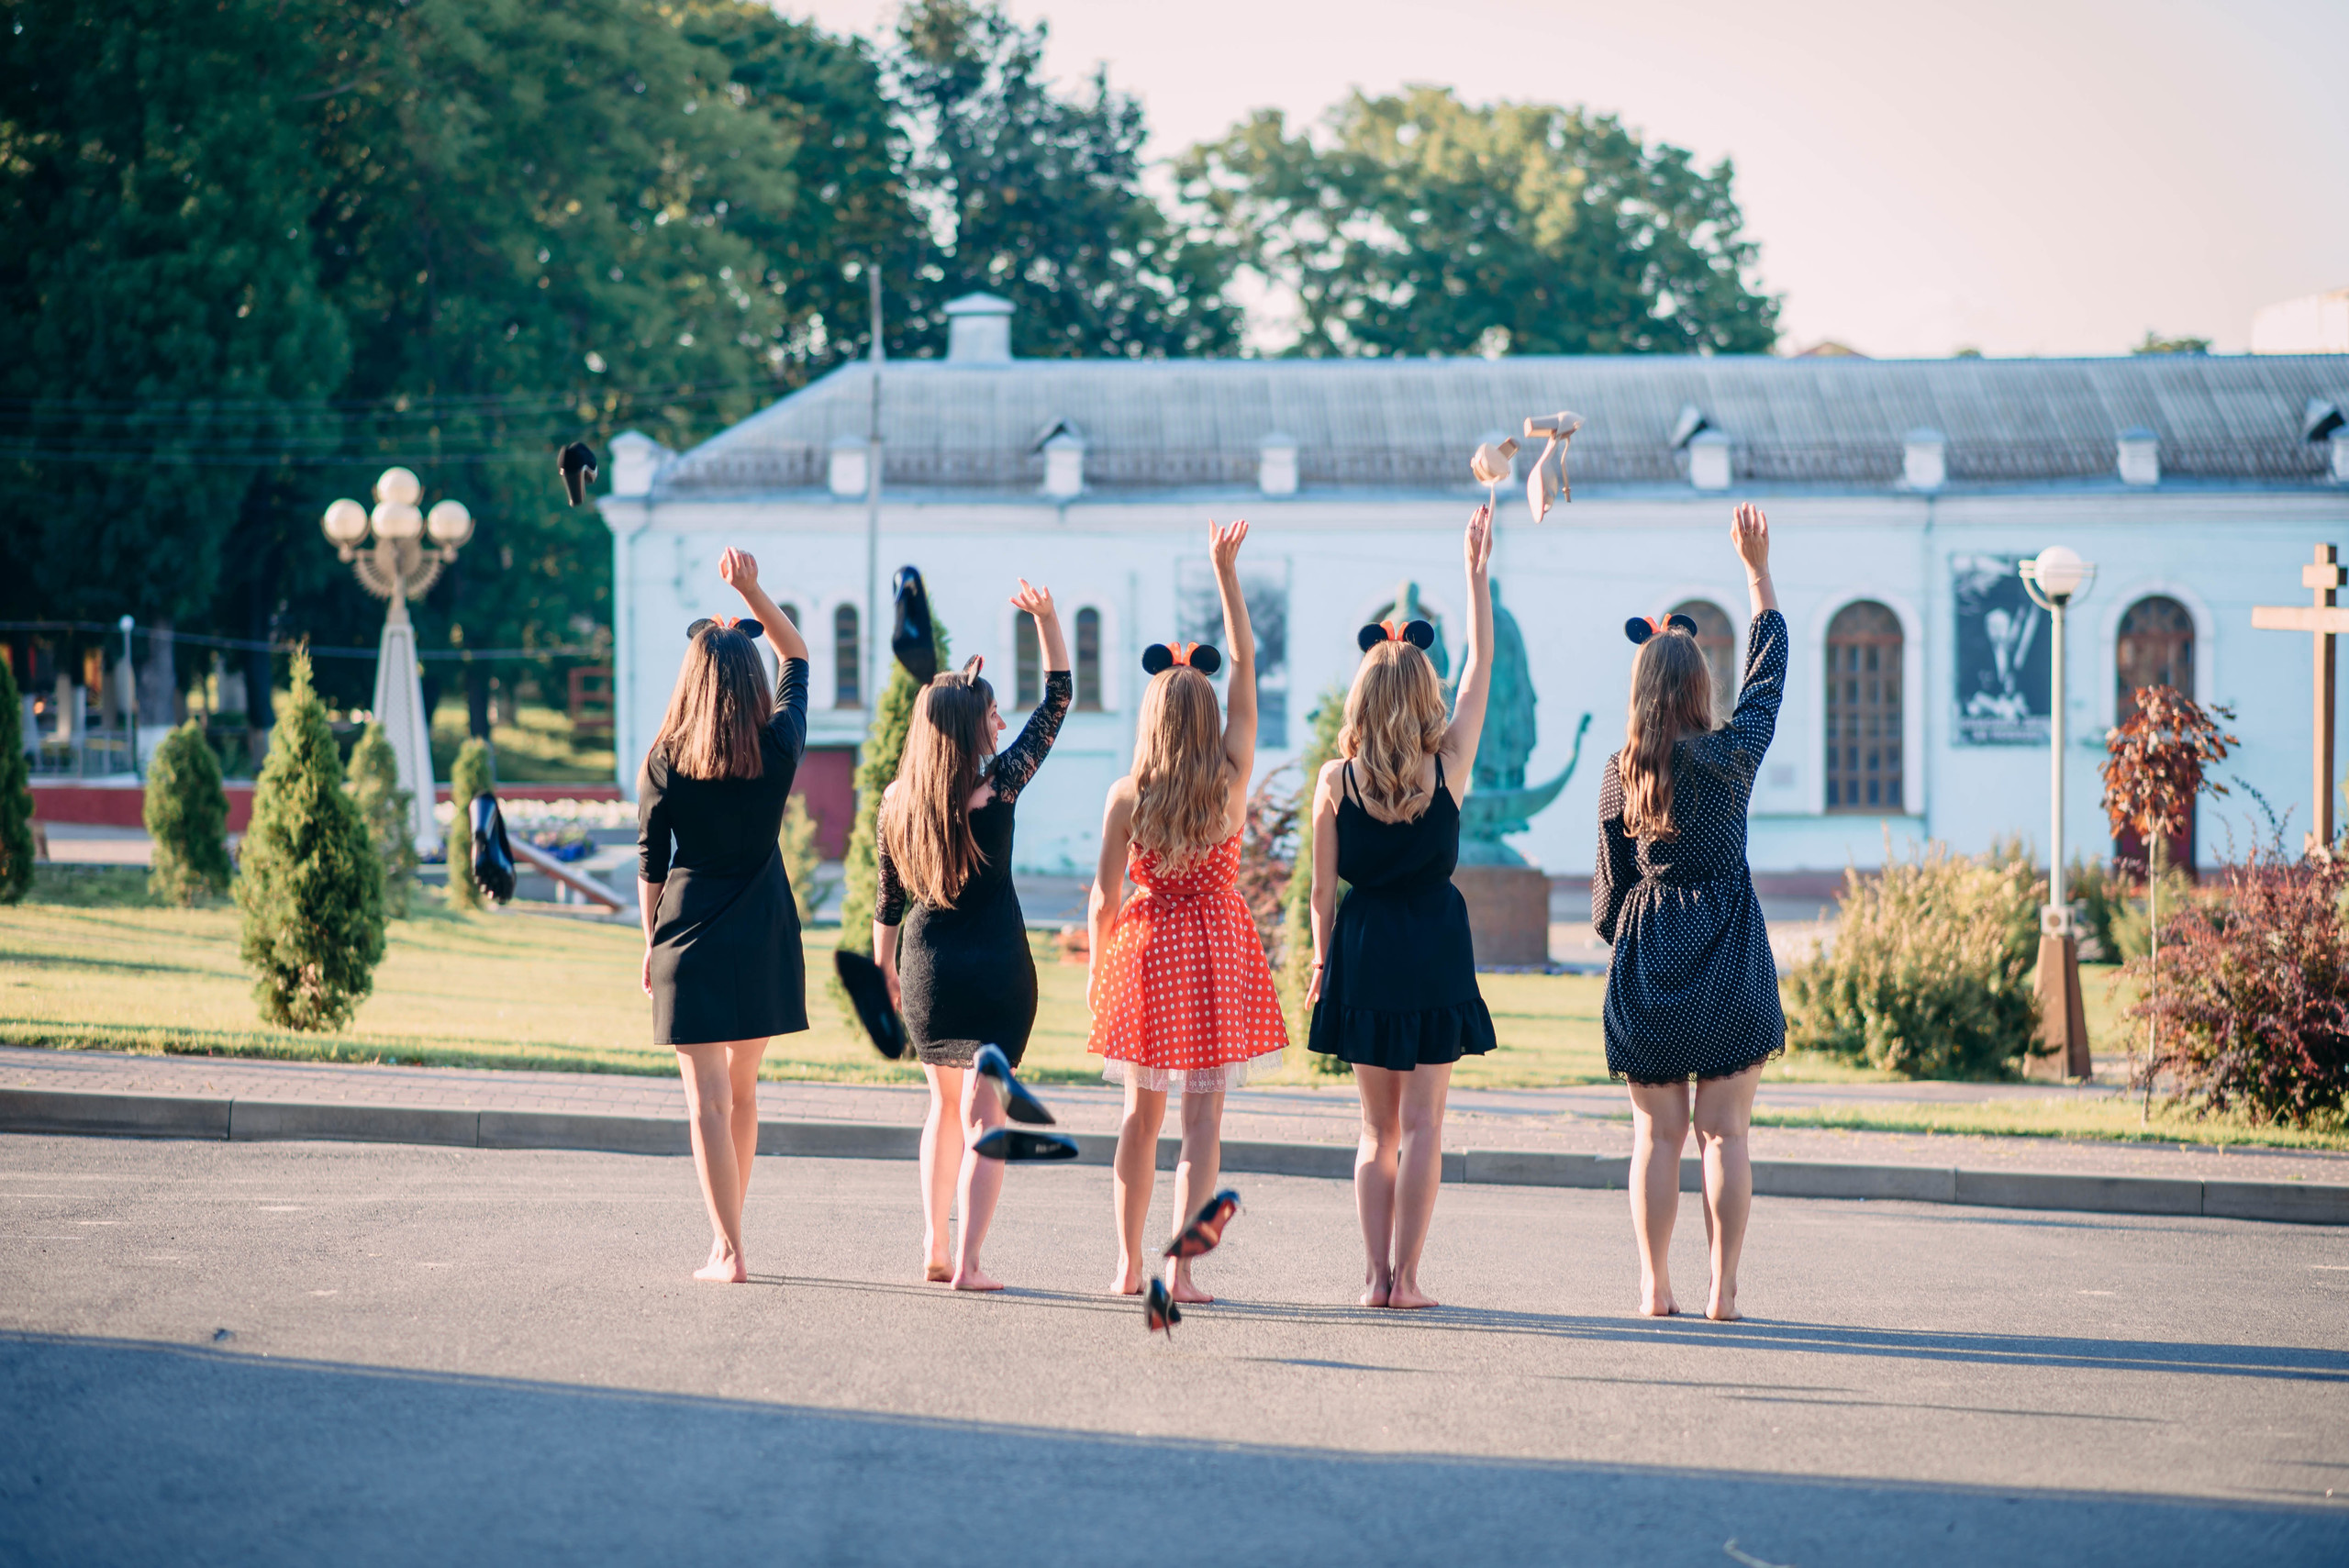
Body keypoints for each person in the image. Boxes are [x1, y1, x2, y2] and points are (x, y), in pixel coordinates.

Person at [1593, 502, 1787, 1322]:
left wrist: (1628, 938)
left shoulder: (1618, 769)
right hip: (1731, 958)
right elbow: (1768, 678)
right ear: (1700, 685)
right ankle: (1723, 1288)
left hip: (1651, 964)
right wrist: (1755, 572)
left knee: (1656, 1140)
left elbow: (1608, 893)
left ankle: (1655, 1286)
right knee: (1727, 1138)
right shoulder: (1732, 756)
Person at [1087, 518, 1288, 1303]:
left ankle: (1126, 1264)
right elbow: (1245, 662)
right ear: (1206, 719)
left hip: (1145, 949)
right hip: (1214, 943)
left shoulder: (1126, 795)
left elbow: (1106, 897)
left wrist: (1101, 965)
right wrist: (1225, 574)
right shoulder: (1232, 776)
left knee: (1140, 1117)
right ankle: (1180, 1269)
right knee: (1201, 1125)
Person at [1305, 505, 1499, 1309]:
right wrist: (1476, 578)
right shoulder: (1447, 763)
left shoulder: (1332, 781)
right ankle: (1409, 1279)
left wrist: (1320, 963)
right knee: (1425, 1126)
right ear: (1421, 691)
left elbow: (1321, 894)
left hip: (1361, 948)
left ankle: (1370, 1278)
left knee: (1374, 1131)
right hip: (1435, 946)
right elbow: (1479, 667)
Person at [874, 582, 1070, 1292]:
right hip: (998, 974)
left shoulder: (899, 800)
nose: (1001, 721)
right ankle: (971, 1263)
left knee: (940, 1109)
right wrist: (1047, 619)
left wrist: (883, 967)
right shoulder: (1002, 786)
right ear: (973, 728)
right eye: (992, 714)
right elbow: (1057, 701)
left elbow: (886, 898)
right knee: (986, 1114)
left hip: (927, 970)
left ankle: (933, 1240)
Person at [637, 547, 810, 1284]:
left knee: (706, 1101)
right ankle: (731, 1239)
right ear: (748, 680)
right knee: (743, 1093)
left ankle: (727, 1248)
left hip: (690, 935)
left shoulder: (664, 757)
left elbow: (651, 862)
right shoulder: (778, 746)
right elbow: (795, 652)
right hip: (764, 933)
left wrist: (650, 943)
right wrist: (752, 591)